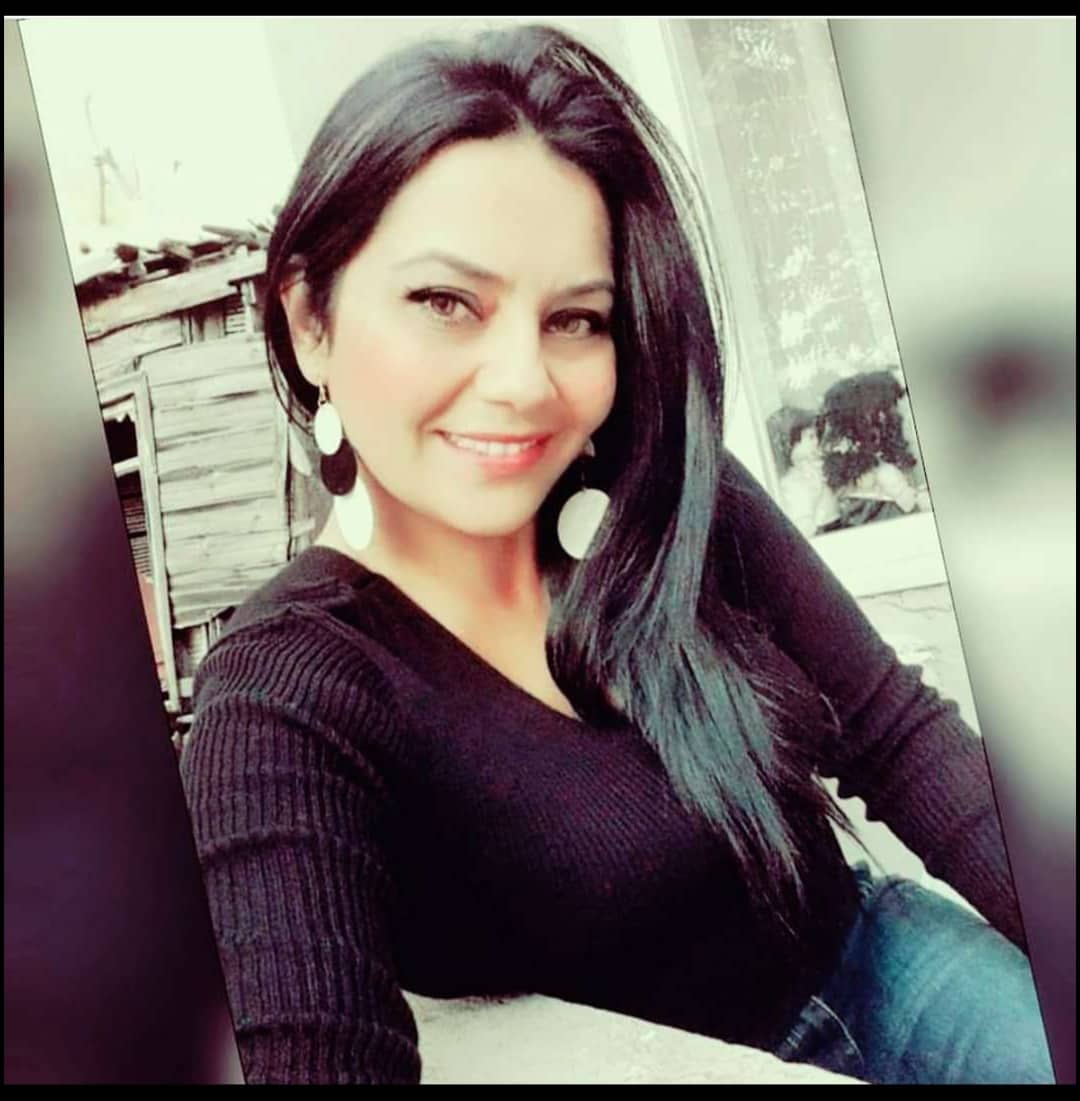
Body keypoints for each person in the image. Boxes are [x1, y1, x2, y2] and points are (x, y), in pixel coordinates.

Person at [178, 23, 1055, 1086]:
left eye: (575, 320)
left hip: (881, 960)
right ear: (310, 319)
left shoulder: (666, 494)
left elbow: (899, 736)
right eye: (446, 302)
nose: (523, 383)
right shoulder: (283, 698)